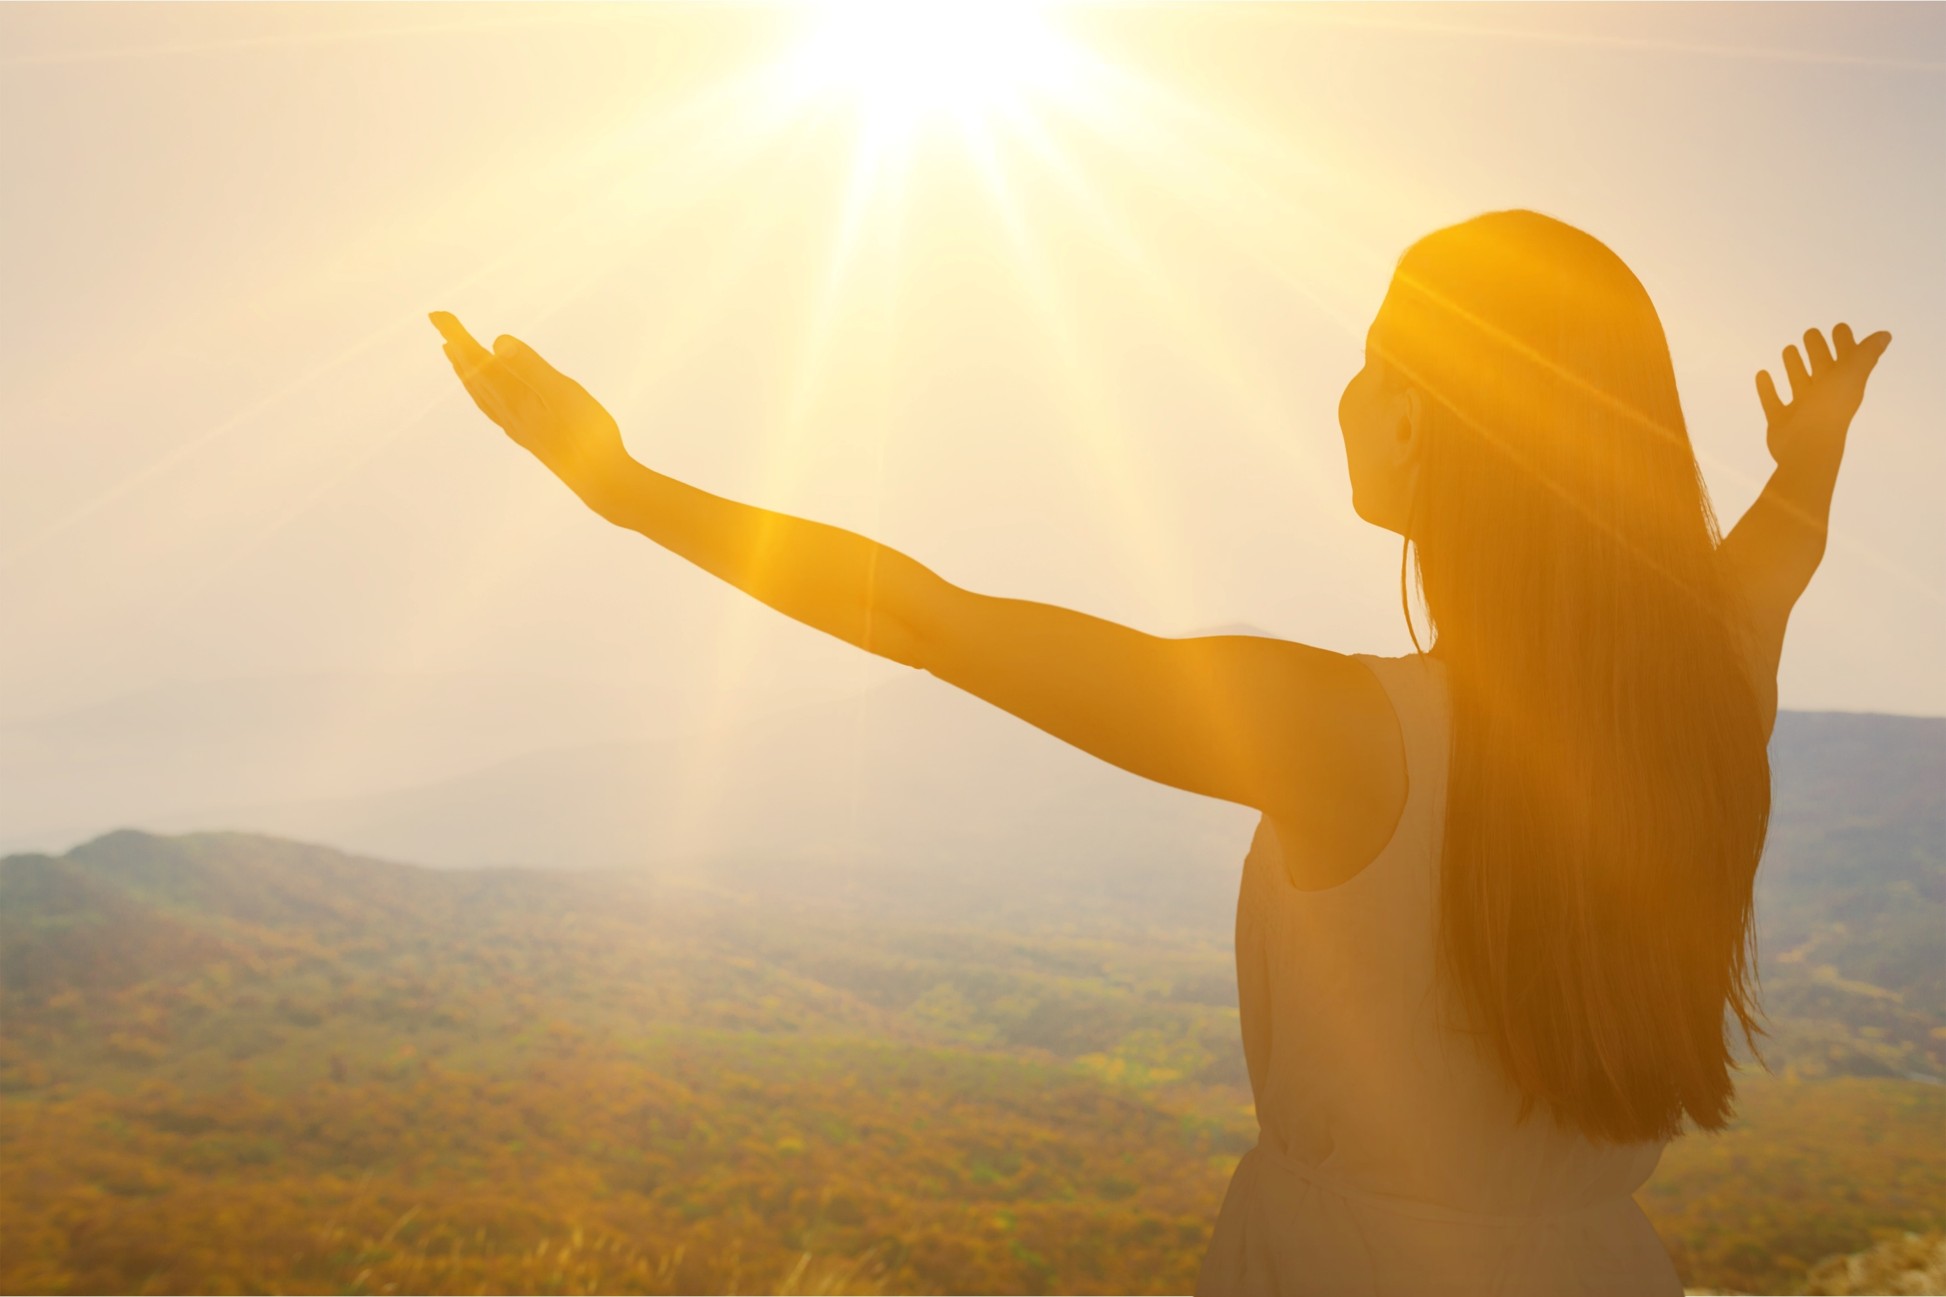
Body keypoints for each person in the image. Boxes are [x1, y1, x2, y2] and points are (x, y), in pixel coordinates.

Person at [429, 209, 1890, 1296]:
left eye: (1375, 349)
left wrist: (620, 488)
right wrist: (1806, 457)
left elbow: (933, 620)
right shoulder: (1700, 703)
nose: (1346, 385)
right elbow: (1775, 555)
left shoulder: (1345, 736)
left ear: (1422, 416)